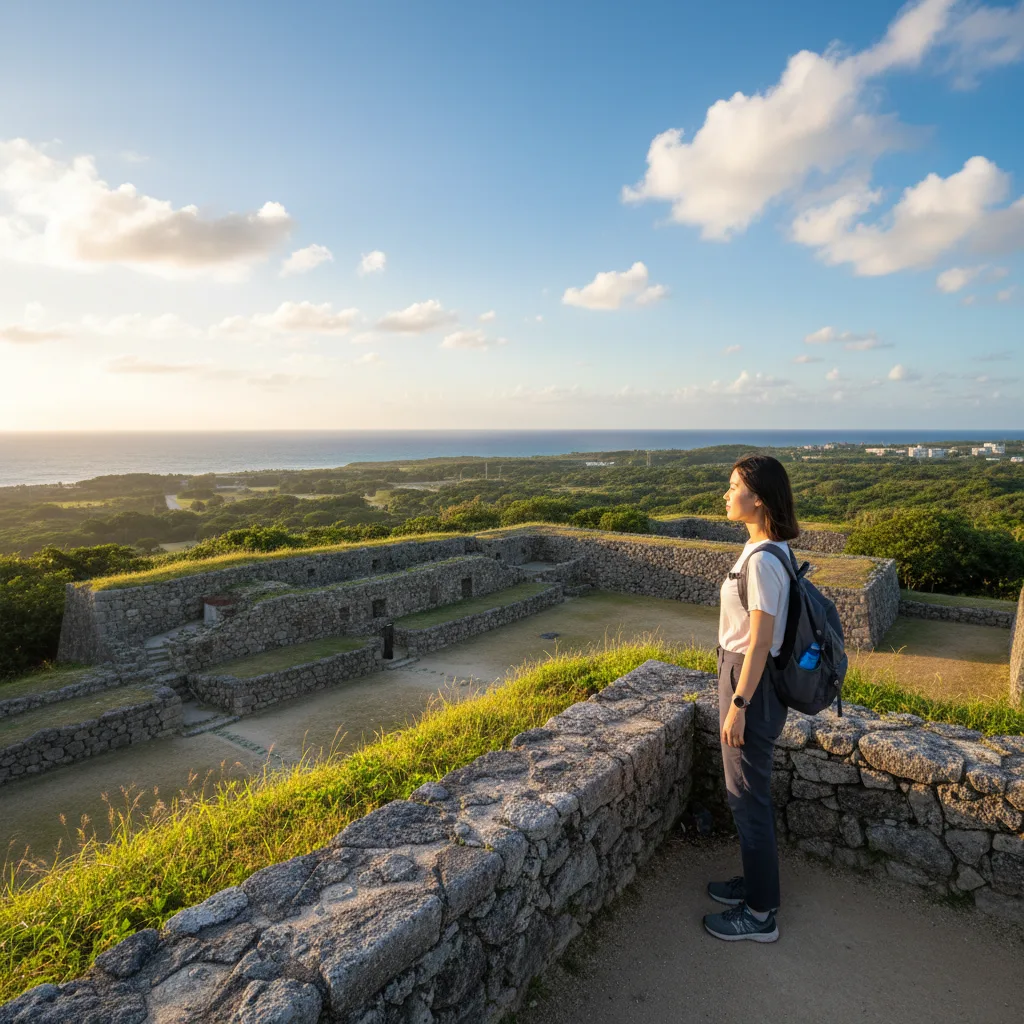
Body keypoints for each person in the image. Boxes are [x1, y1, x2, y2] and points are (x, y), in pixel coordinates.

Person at [702, 454, 799, 943]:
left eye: (733, 485)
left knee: (746, 797)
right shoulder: (767, 549)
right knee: (747, 792)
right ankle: (755, 884)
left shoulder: (763, 560)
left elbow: (761, 640)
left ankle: (760, 913)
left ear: (757, 497)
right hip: (745, 678)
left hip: (748, 683)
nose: (726, 493)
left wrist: (738, 705)